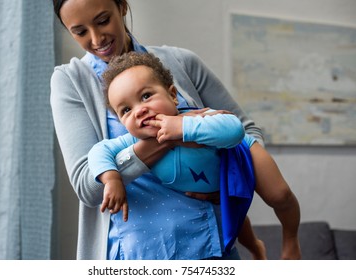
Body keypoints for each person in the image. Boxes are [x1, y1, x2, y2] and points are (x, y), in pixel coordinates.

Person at [50, 0, 301, 260]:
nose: (96, 38)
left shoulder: (181, 62)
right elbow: (87, 185)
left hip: (213, 246)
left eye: (103, 20)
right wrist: (173, 133)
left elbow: (245, 129)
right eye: (80, 32)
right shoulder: (70, 81)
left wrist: (227, 179)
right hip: (139, 253)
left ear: (122, 6)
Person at [88, 51, 297, 259]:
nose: (139, 111)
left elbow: (234, 130)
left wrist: (182, 127)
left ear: (172, 95)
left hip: (240, 155)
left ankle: (290, 239)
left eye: (146, 96)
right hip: (217, 192)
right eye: (126, 110)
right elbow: (99, 151)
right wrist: (111, 179)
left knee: (280, 195)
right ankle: (255, 247)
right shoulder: (134, 142)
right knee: (234, 216)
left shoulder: (193, 118)